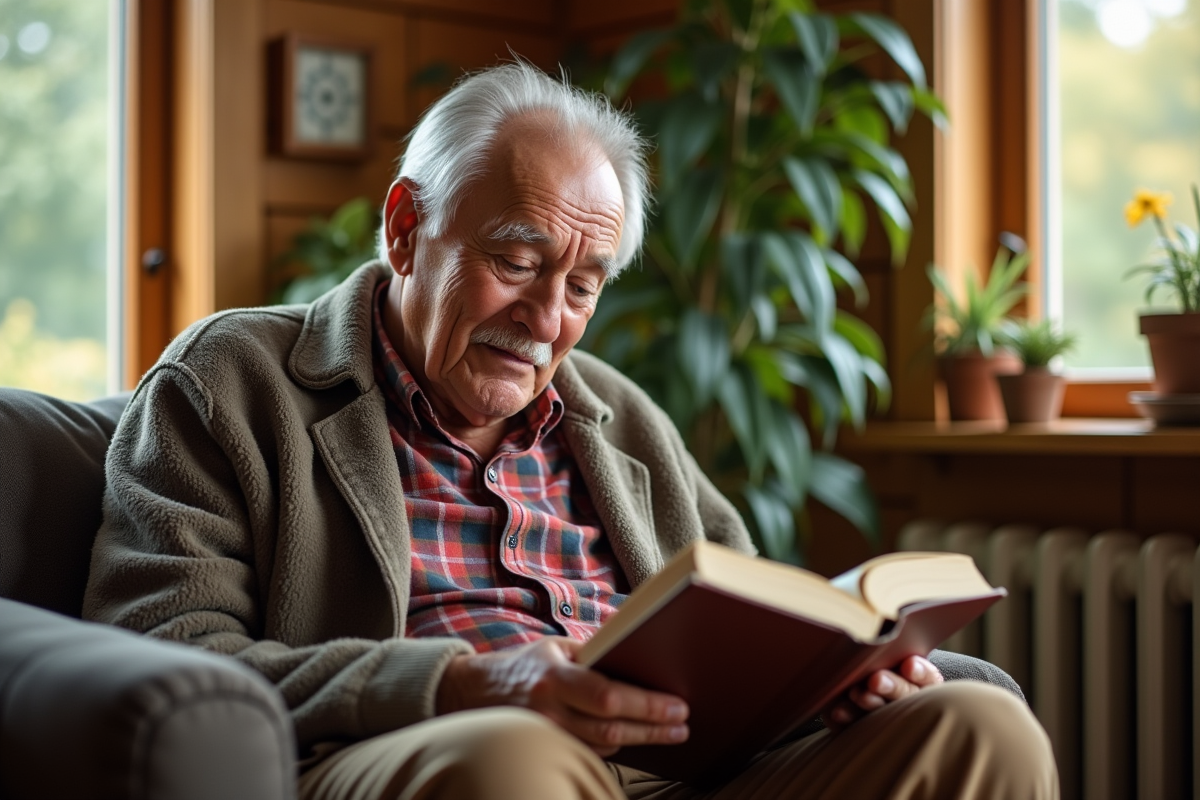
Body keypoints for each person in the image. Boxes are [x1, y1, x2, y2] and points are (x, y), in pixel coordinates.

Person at [84, 62, 1058, 799]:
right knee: (514, 755)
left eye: (583, 285)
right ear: (405, 229)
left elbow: (753, 615)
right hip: (424, 756)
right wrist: (460, 684)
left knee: (980, 725)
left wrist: (833, 680)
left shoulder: (621, 418)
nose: (548, 317)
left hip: (686, 770)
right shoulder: (231, 382)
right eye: (516, 259)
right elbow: (163, 649)